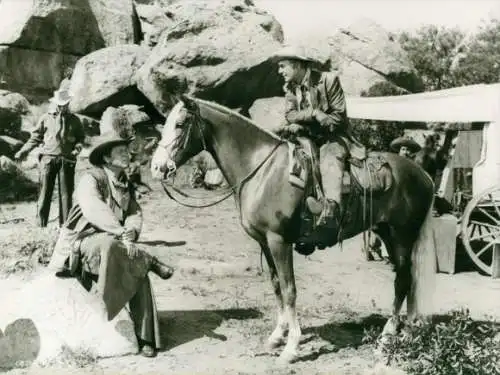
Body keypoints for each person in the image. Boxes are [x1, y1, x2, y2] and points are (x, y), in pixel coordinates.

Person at [48, 132, 174, 358]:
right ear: (106, 158)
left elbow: (135, 212)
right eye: (121, 152)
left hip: (115, 240)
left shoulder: (125, 182)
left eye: (127, 151)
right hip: (82, 241)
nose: (128, 155)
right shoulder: (92, 178)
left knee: (137, 270)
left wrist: (131, 231)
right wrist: (121, 232)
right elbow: (93, 208)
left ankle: (146, 337)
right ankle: (149, 260)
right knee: (110, 245)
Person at [272, 45, 366, 245]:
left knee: (329, 159)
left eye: (283, 66)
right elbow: (289, 115)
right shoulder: (290, 88)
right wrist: (313, 114)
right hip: (307, 136)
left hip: (333, 137)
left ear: (297, 65)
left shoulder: (328, 80)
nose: (280, 71)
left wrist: (308, 122)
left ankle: (331, 213)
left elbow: (338, 118)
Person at [15, 89, 85, 227]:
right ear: (56, 104)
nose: (62, 107)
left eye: (65, 104)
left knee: (66, 195)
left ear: (68, 103)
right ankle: (41, 226)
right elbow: (35, 137)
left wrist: (77, 147)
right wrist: (23, 151)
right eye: (60, 104)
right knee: (44, 193)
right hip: (47, 159)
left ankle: (65, 227)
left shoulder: (75, 120)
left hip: (67, 160)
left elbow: (81, 138)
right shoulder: (46, 118)